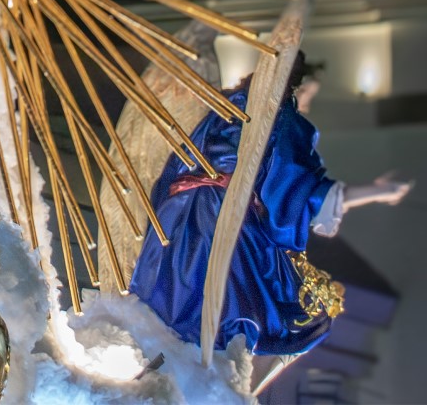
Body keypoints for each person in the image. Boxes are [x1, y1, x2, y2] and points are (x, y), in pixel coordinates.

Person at [128, 55, 411, 358]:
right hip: (228, 216)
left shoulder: (223, 107)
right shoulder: (281, 117)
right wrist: (378, 191)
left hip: (182, 213)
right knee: (262, 313)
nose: (306, 104)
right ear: (289, 87)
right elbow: (305, 192)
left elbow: (175, 164)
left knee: (183, 298)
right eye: (306, 95)